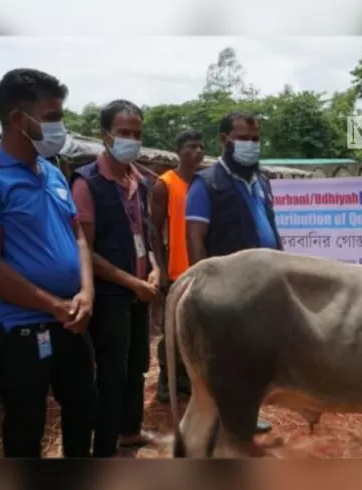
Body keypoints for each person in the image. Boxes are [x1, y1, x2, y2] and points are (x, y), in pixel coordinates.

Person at [0, 68, 96, 458]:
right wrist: (57, 305)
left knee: (83, 408)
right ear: (18, 119)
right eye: (51, 117)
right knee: (26, 425)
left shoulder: (52, 173)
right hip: (18, 332)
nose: (60, 126)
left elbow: (78, 236)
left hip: (70, 320)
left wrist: (85, 292)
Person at [70, 99, 161, 457]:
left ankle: (129, 431)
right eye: (124, 133)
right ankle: (104, 450)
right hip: (110, 296)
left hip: (139, 292)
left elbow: (146, 236)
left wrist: (153, 268)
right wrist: (131, 282)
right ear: (104, 135)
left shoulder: (140, 181)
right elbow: (85, 251)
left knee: (137, 367)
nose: (132, 140)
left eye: (137, 134)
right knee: (111, 374)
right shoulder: (87, 183)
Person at [185, 111, 283, 435]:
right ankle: (213, 427)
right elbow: (195, 239)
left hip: (263, 285)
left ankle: (245, 417)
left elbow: (268, 228)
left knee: (253, 358)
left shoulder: (262, 181)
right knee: (223, 360)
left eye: (255, 139)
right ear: (224, 140)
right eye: (243, 138)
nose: (251, 145)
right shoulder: (207, 183)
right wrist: (204, 288)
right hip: (227, 289)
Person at [150, 130, 205, 403]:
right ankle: (166, 378)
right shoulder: (165, 184)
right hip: (175, 271)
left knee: (195, 328)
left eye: (200, 147)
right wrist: (159, 267)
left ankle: (186, 379)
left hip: (200, 270)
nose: (197, 152)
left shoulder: (203, 184)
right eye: (191, 147)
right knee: (171, 330)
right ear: (178, 151)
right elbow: (153, 228)